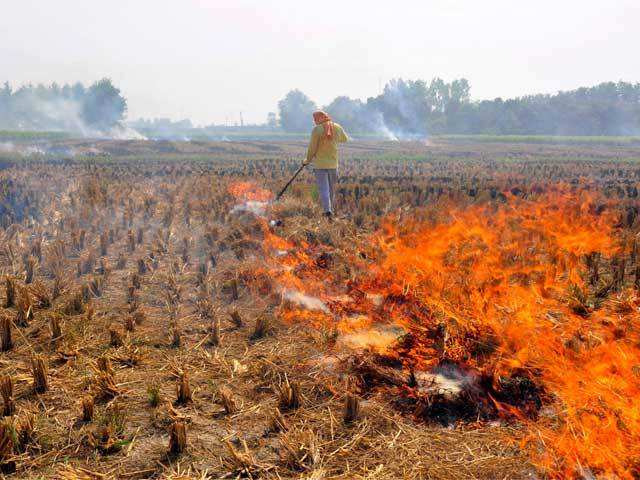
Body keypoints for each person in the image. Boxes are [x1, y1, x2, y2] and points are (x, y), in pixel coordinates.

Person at [303, 111, 348, 220]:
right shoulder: (337, 127)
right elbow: (345, 139)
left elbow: (312, 148)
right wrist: (334, 140)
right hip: (333, 164)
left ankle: (327, 211)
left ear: (320, 118)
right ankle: (329, 212)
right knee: (331, 190)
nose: (314, 121)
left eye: (315, 119)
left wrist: (307, 160)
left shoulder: (317, 130)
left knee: (324, 189)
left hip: (320, 165)